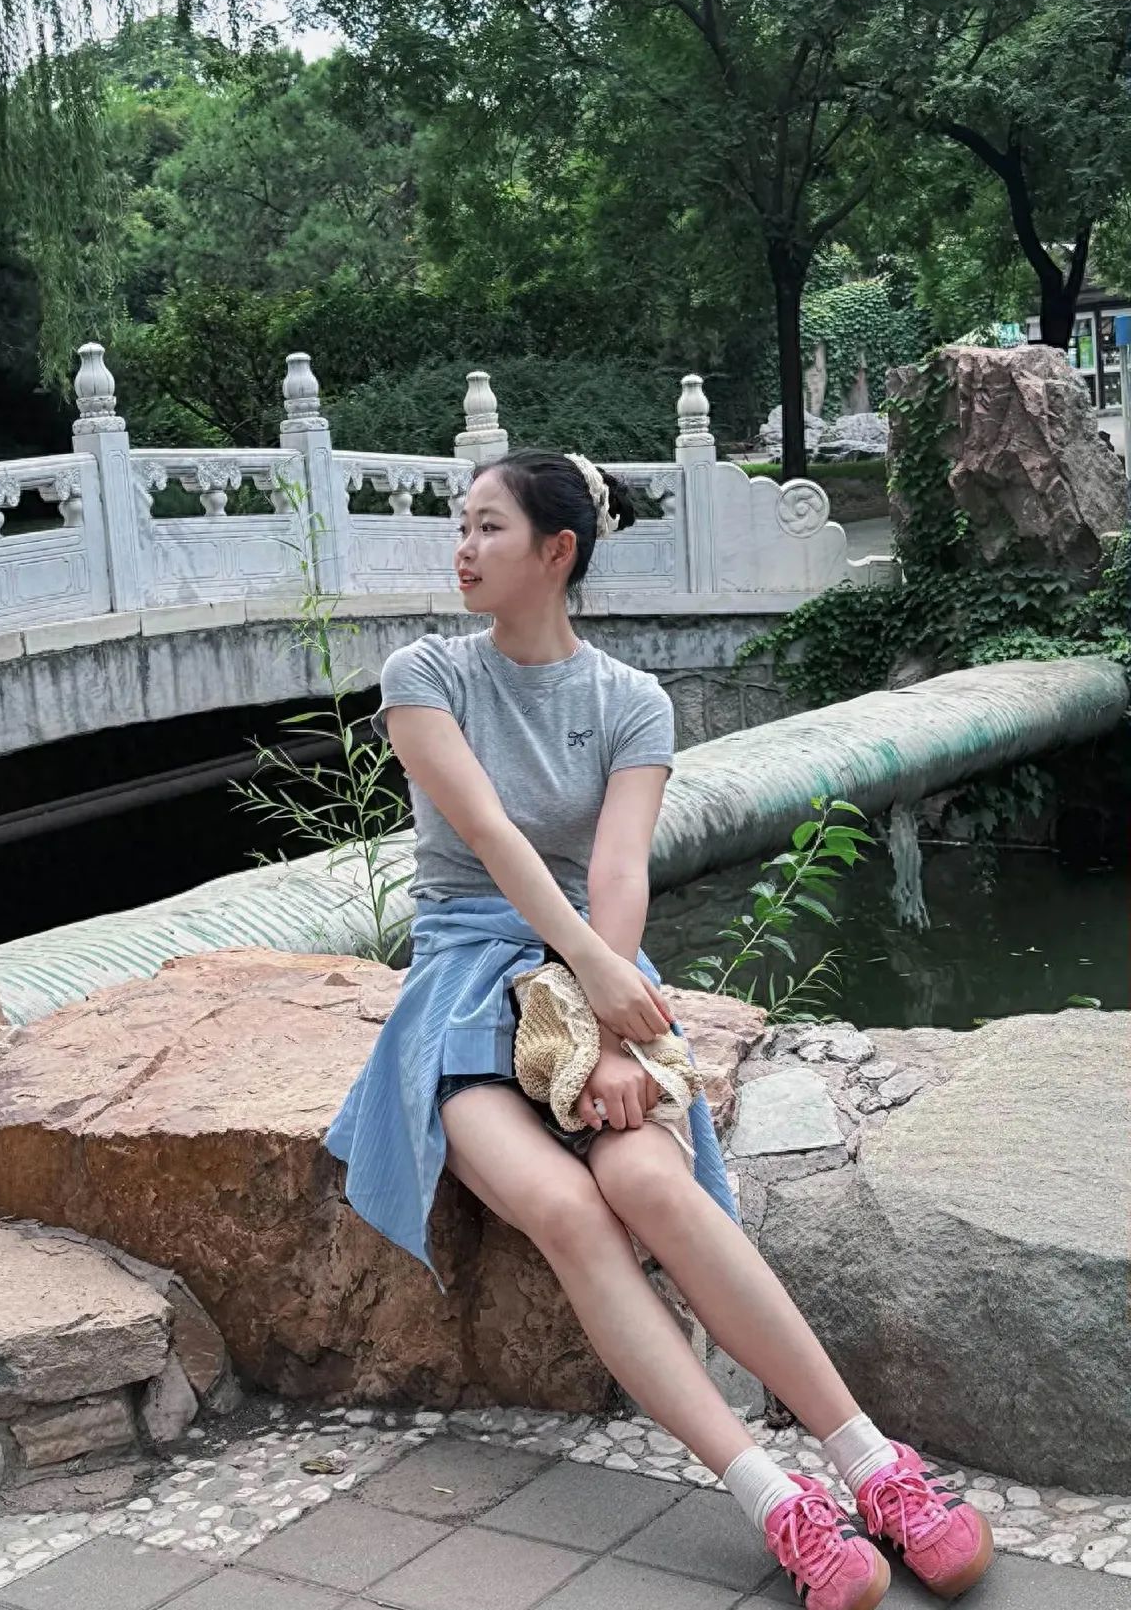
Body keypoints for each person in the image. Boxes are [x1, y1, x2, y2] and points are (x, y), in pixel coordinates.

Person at [326, 449, 994, 1609]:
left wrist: (611, 1023)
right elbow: (489, 837)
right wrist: (594, 975)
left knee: (650, 1182)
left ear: (556, 552)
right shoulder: (423, 674)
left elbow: (620, 868)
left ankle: (871, 1464)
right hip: (462, 987)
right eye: (460, 524)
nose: (461, 547)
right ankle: (769, 1499)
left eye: (486, 526)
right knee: (563, 1206)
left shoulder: (631, 701)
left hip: (594, 978)